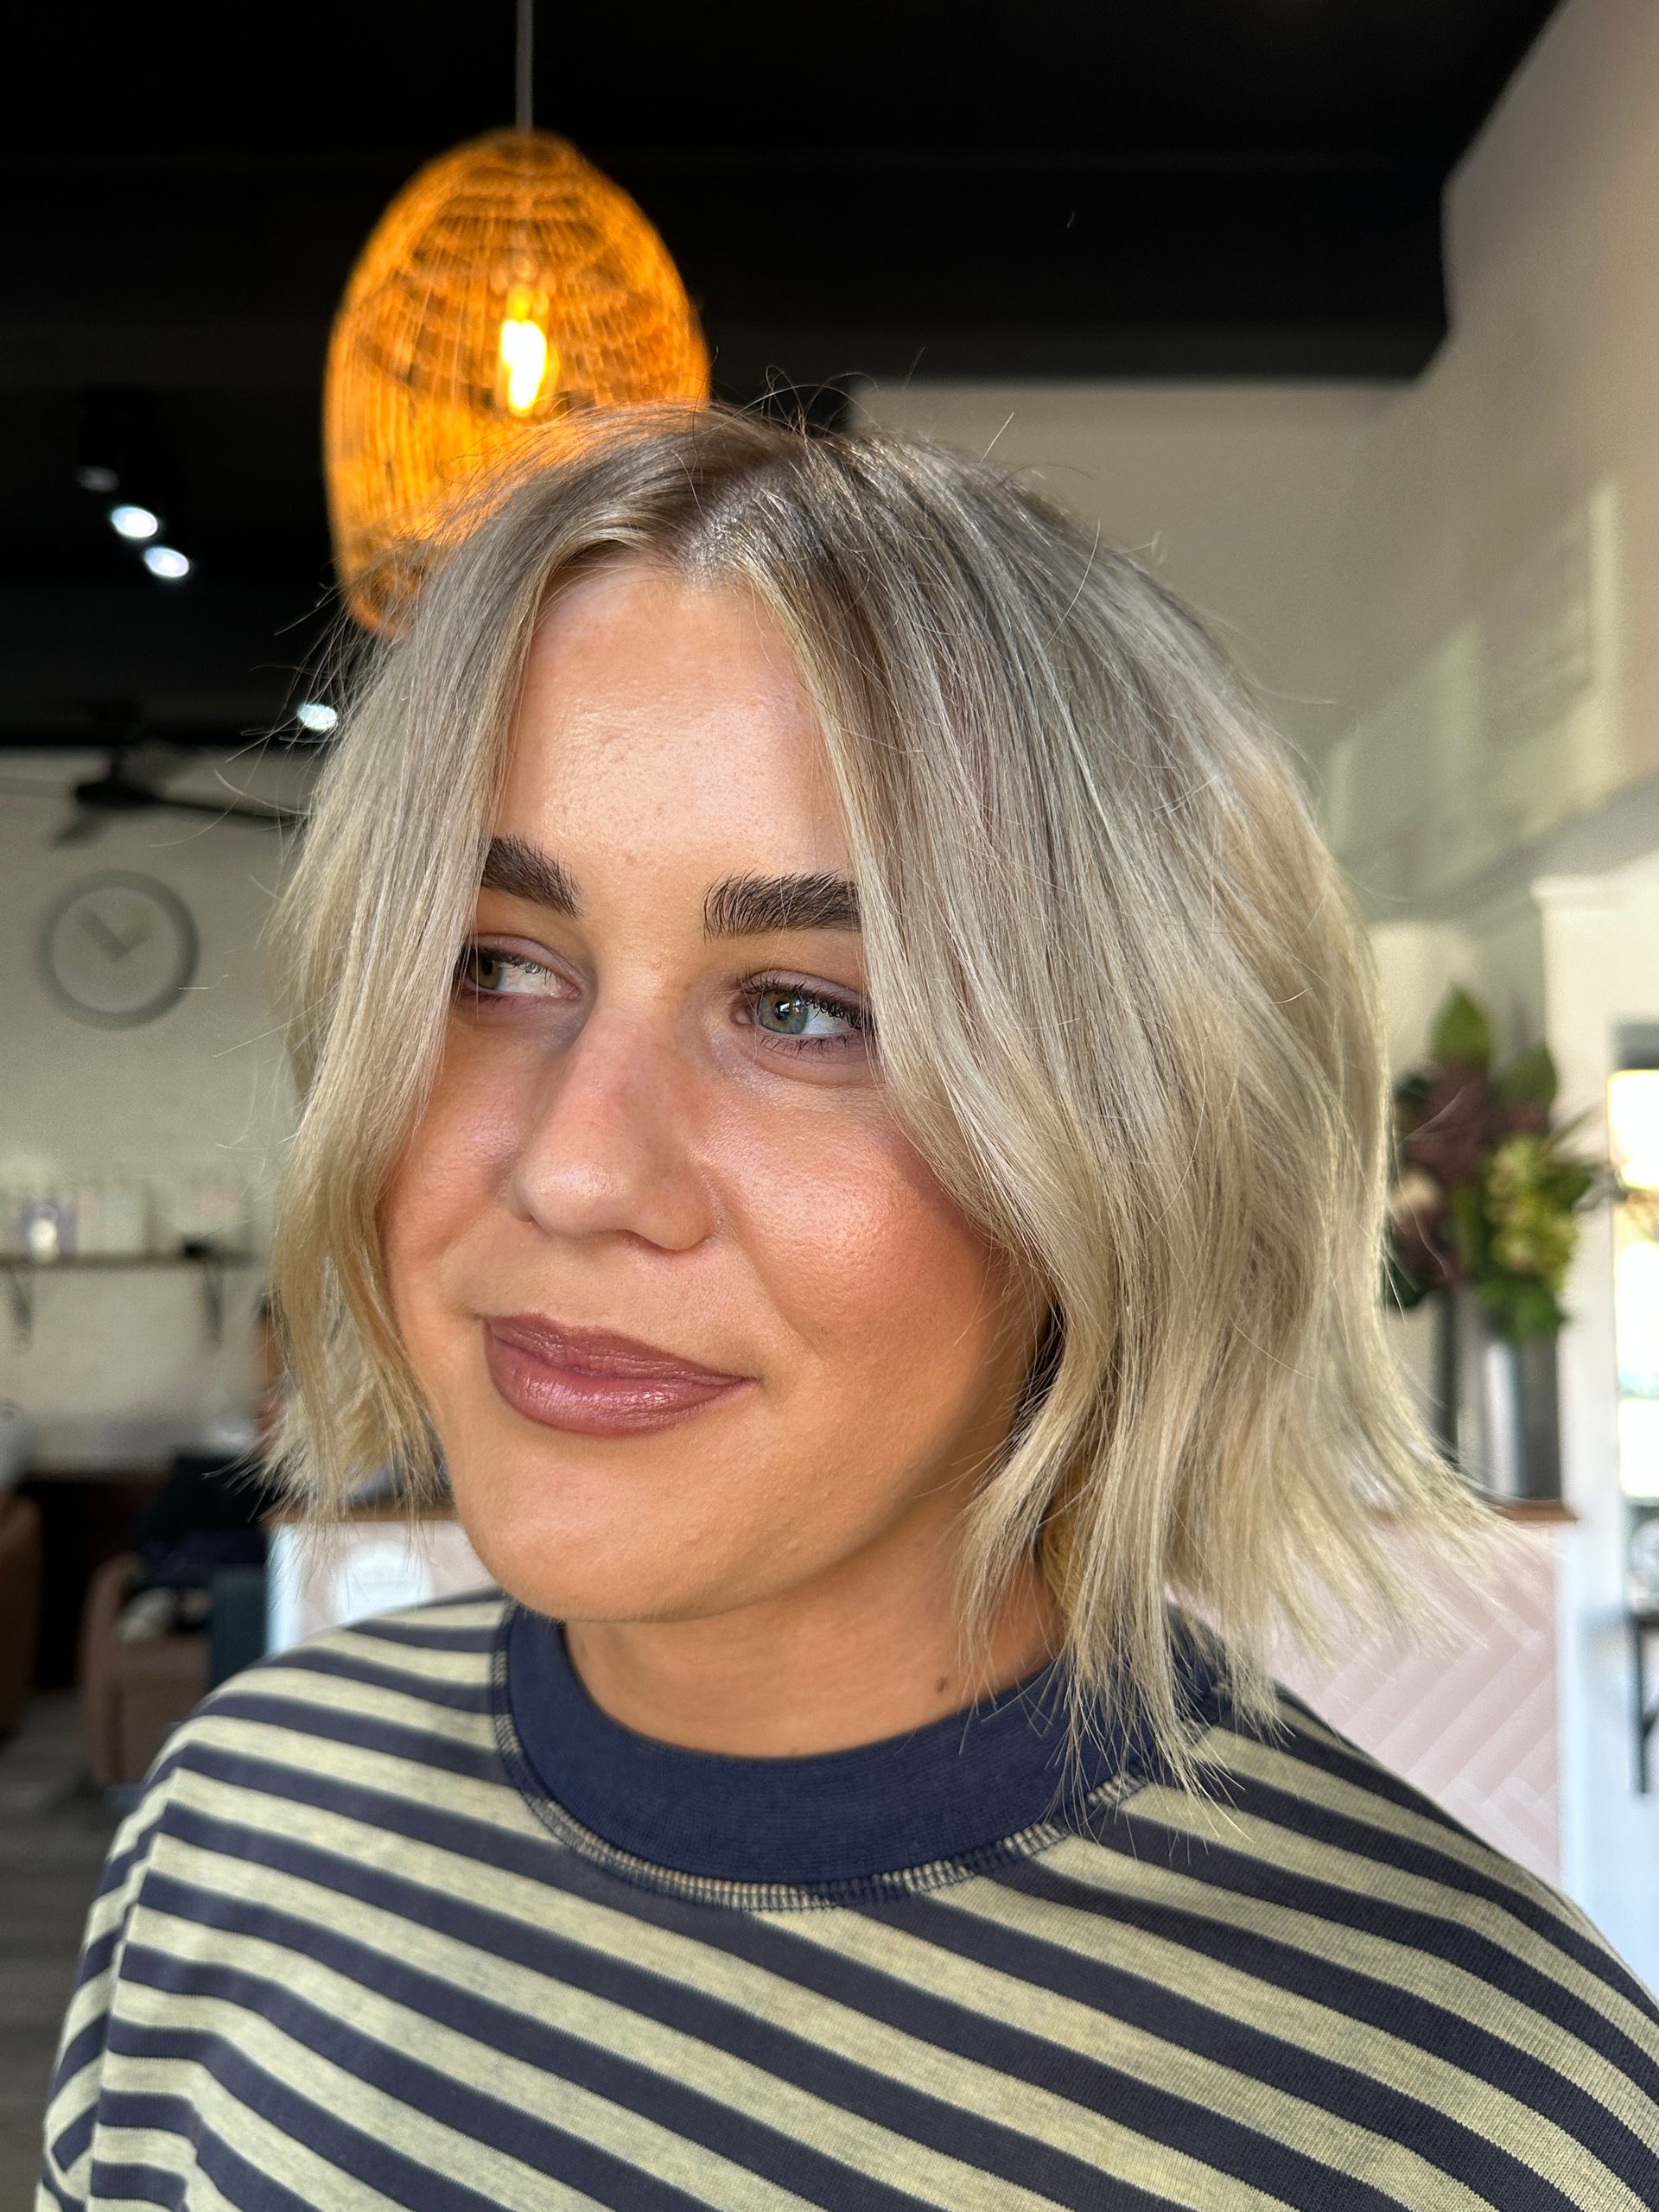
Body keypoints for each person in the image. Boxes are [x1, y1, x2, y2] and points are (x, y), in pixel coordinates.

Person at [38, 403, 1659, 2209]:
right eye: (492, 963)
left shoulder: (1472, 2108)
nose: (574, 1169)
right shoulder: (233, 1824)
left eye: (808, 1010)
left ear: (1133, 1146)